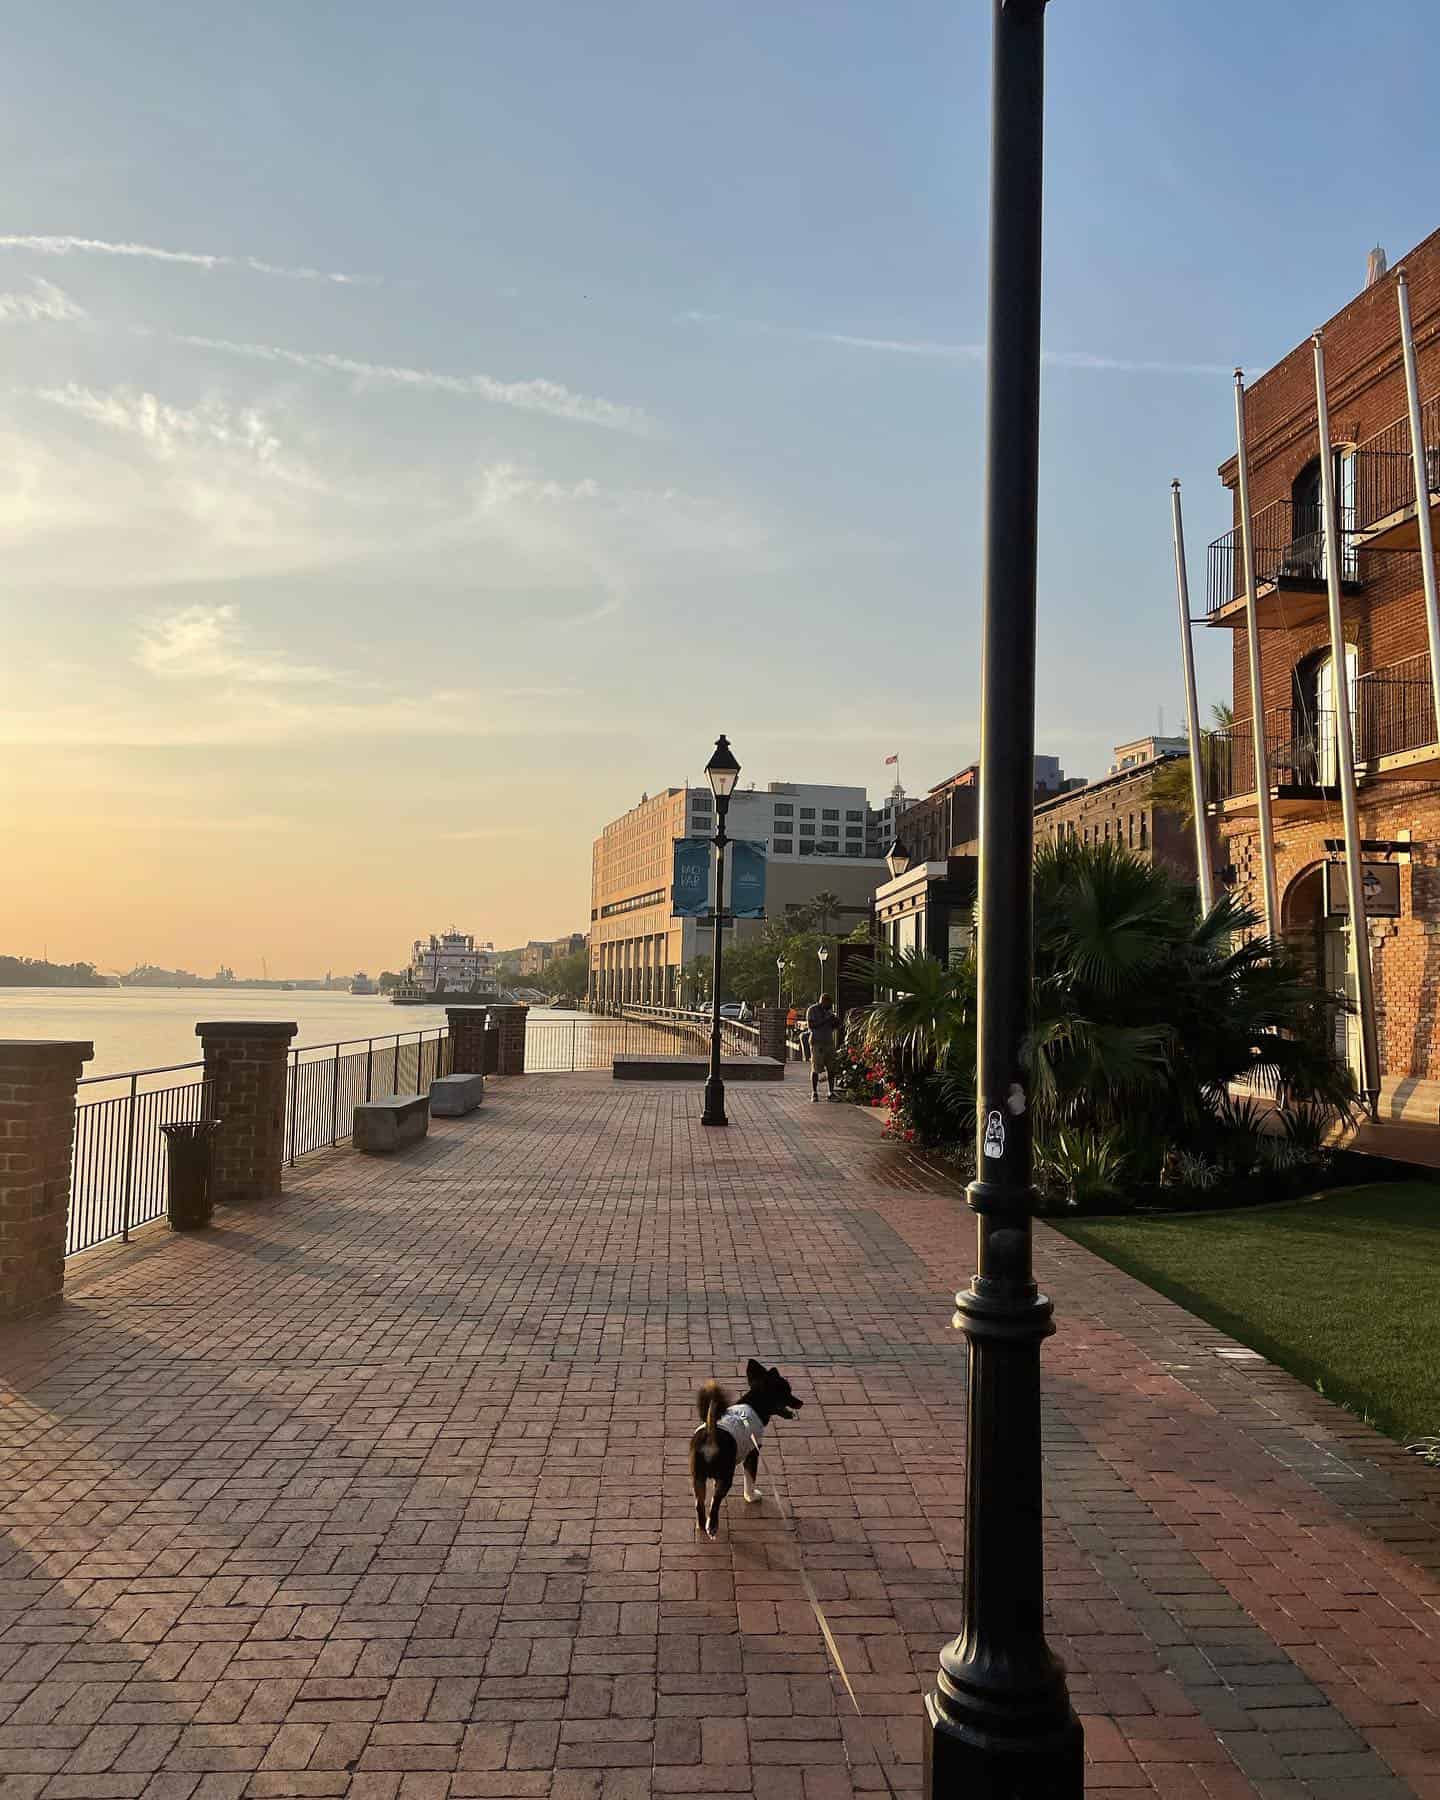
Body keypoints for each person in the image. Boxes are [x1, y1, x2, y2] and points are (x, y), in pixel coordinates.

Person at [805, 993, 841, 1102]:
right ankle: (814, 1092)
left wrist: (836, 1021)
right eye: (828, 1003)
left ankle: (831, 1092)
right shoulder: (812, 1010)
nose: (829, 1006)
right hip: (817, 1042)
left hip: (829, 1042)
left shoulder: (829, 1012)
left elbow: (834, 1026)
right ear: (823, 1001)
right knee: (816, 1068)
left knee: (831, 1068)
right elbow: (811, 1025)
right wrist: (826, 1019)